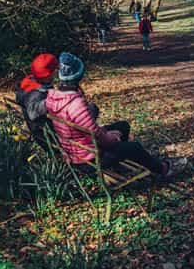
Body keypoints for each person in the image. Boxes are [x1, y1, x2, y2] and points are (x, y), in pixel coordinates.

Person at [45, 52, 185, 177]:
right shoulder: (75, 105)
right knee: (134, 146)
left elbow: (90, 131)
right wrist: (112, 137)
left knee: (123, 126)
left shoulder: (54, 99)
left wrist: (107, 133)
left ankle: (119, 164)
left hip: (77, 150)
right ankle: (163, 169)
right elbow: (100, 138)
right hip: (87, 160)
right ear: (78, 76)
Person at [14, 53, 57, 149]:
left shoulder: (27, 84)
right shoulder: (38, 94)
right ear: (49, 74)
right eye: (55, 70)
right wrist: (53, 101)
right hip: (50, 137)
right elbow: (33, 112)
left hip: (42, 133)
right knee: (91, 109)